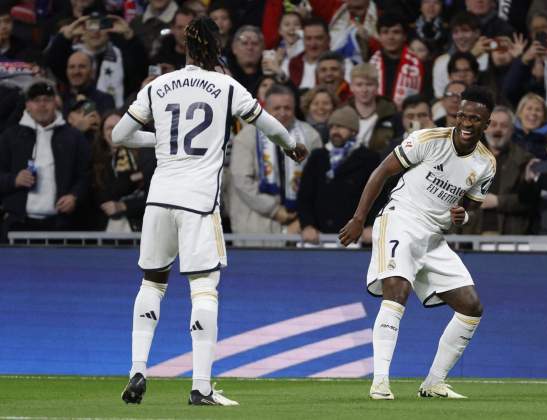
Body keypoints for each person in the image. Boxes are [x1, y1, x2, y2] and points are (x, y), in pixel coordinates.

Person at [112, 17, 308, 406]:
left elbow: (120, 136)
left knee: (152, 284)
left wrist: (166, 141)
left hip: (158, 200)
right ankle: (201, 386)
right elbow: (267, 124)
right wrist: (290, 145)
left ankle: (137, 368)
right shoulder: (225, 85)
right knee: (204, 289)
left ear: (184, 48)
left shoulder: (159, 85)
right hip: (198, 203)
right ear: (217, 49)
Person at [339, 86, 496, 400]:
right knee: (397, 290)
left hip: (434, 238)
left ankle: (433, 383)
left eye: (474, 118)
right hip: (401, 219)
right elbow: (382, 171)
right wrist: (359, 218)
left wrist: (462, 216)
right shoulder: (428, 139)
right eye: (462, 115)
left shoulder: (485, 163)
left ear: (486, 123)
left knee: (471, 306)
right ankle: (380, 383)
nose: (466, 122)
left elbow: (471, 207)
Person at [228, 84, 321, 245]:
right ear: (265, 108)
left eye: (288, 108)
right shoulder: (246, 136)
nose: (283, 113)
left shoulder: (311, 136)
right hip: (255, 226)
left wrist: (305, 218)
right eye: (276, 108)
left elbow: (317, 184)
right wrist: (274, 210)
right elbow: (242, 181)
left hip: (298, 227)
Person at [0, 81, 90, 241]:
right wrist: (14, 180)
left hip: (60, 225)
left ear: (55, 103)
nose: (42, 105)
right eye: (36, 100)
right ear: (27, 105)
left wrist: (74, 196)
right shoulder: (10, 137)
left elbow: (85, 175)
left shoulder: (74, 137)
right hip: (17, 225)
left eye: (47, 100)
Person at [297, 106, 380, 243]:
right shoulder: (318, 157)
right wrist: (307, 225)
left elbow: (378, 197)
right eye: (332, 127)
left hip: (357, 239)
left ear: (354, 131)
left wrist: (371, 225)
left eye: (341, 127)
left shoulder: (369, 158)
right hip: (320, 238)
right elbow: (305, 196)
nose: (335, 131)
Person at [458, 106, 533, 234]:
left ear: (512, 130)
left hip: (510, 236)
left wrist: (498, 202)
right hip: (471, 235)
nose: (498, 130)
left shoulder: (524, 160)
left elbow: (528, 201)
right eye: (493, 125)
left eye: (504, 126)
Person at [369, 13, 425, 109]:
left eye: (396, 32)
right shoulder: (370, 64)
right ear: (379, 37)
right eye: (385, 32)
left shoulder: (419, 65)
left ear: (404, 36)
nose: (390, 37)